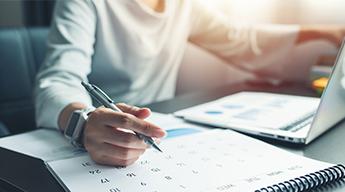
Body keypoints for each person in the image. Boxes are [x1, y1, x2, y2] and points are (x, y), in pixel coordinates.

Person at [35, 0, 345, 166]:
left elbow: (241, 40)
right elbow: (58, 79)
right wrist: (83, 121)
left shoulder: (183, 4)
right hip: (94, 142)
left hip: (157, 133)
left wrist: (323, 32)